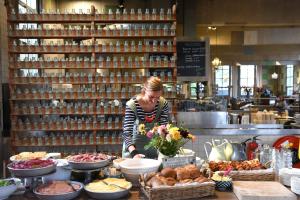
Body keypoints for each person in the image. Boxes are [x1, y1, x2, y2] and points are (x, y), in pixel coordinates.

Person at [122, 76, 169, 159]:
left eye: (157, 97)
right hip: (133, 150)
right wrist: (134, 153)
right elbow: (127, 133)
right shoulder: (132, 105)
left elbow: (164, 127)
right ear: (145, 90)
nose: (154, 101)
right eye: (151, 97)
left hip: (154, 150)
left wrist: (163, 131)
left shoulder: (162, 104)